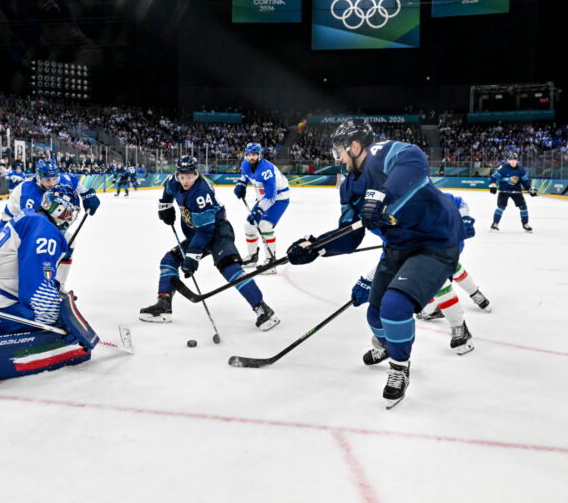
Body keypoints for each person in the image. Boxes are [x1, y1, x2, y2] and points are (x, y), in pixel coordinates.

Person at [285, 120, 463, 409]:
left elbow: (415, 159)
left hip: (435, 242)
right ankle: (390, 346)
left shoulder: (384, 153)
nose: (339, 158)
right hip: (398, 247)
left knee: (395, 306)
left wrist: (383, 195)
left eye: (340, 152)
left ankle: (399, 369)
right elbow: (350, 235)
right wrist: (317, 247)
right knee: (375, 315)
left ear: (355, 146)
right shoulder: (349, 187)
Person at [0, 184, 98, 392]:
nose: (69, 218)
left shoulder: (30, 216)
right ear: (59, 211)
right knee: (49, 330)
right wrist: (58, 320)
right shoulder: (46, 231)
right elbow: (35, 287)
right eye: (68, 212)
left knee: (35, 312)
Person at [139, 155, 278, 330]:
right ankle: (163, 305)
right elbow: (167, 191)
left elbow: (205, 232)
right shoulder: (173, 180)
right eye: (182, 176)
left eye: (190, 176)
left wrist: (192, 257)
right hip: (197, 233)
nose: (185, 180)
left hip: (217, 231)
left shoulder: (200, 193)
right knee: (169, 260)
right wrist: (165, 206)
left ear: (197, 173)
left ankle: (263, 309)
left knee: (229, 267)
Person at [353, 192, 483, 357]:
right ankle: (392, 341)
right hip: (415, 250)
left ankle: (460, 327)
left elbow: (458, 202)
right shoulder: (380, 215)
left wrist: (464, 219)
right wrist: (369, 279)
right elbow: (390, 254)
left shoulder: (418, 196)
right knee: (401, 287)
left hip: (443, 245)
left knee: (436, 281)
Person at [0, 159, 100, 287]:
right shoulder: (28, 194)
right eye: (47, 180)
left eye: (54, 179)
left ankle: (59, 285)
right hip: (11, 228)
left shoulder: (62, 179)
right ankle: (32, 284)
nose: (52, 183)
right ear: (38, 177)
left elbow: (74, 181)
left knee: (69, 241)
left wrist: (87, 195)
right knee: (38, 251)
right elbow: (33, 227)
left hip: (37, 224)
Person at [233, 143, 290, 274]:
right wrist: (241, 185)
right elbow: (244, 177)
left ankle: (271, 261)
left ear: (259, 155)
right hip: (264, 197)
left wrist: (259, 211)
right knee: (249, 226)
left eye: (254, 154)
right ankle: (253, 257)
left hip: (279, 197)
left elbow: (271, 196)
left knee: (264, 226)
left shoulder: (266, 169)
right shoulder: (245, 164)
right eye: (249, 154)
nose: (251, 157)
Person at [489, 152, 537, 232]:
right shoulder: (503, 168)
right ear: (508, 160)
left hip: (517, 192)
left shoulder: (521, 169)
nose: (513, 161)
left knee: (523, 207)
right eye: (511, 160)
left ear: (517, 160)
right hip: (504, 191)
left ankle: (525, 224)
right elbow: (493, 177)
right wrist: (492, 185)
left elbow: (525, 182)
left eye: (514, 159)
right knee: (501, 207)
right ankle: (495, 224)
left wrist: (530, 190)